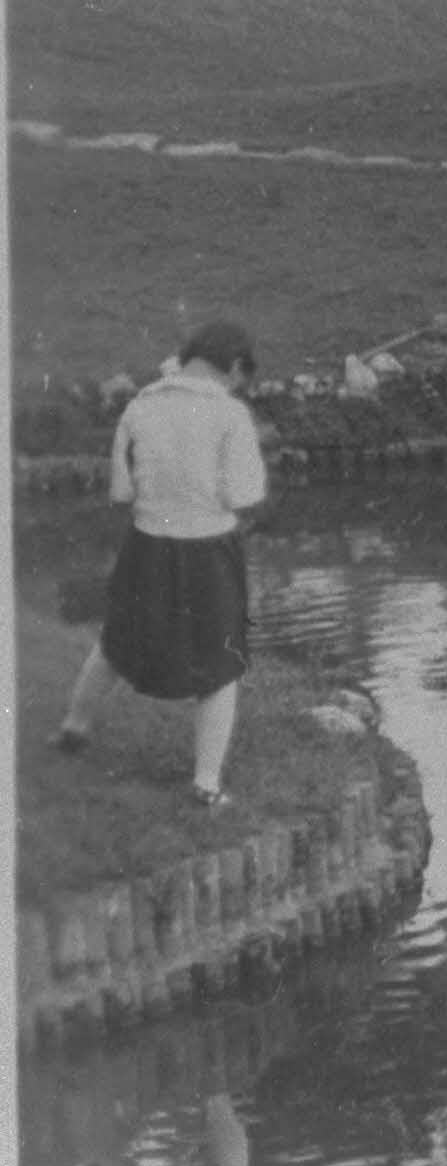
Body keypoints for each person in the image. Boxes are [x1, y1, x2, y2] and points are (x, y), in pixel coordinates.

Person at [55, 320, 268, 807]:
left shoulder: (140, 406)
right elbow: (245, 492)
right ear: (234, 367)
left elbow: (121, 490)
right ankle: (206, 785)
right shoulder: (230, 414)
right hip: (209, 550)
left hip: (147, 545)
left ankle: (74, 726)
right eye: (240, 377)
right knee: (220, 665)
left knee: (116, 641)